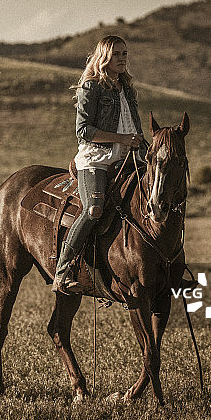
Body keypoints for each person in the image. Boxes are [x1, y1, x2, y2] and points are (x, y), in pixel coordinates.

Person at [53, 35, 145, 294]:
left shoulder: (127, 89)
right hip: (96, 159)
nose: (122, 58)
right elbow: (83, 131)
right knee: (93, 210)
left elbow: (134, 128)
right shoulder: (91, 87)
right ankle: (63, 272)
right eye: (116, 54)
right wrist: (121, 139)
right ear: (104, 57)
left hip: (129, 158)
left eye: (125, 53)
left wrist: (147, 151)